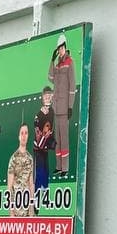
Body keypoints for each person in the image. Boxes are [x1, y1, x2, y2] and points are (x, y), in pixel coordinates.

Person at [48, 34, 77, 175]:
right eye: (58, 49)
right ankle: (58, 166)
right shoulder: (58, 64)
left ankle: (65, 168)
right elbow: (50, 78)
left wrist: (70, 106)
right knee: (58, 139)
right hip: (56, 108)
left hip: (65, 107)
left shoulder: (69, 62)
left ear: (65, 47)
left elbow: (72, 86)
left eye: (61, 48)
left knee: (64, 139)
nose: (60, 50)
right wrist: (52, 61)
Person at [7, 123, 35, 217]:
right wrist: (11, 213)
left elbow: (31, 184)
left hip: (27, 211)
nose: (24, 136)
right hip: (16, 210)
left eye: (26, 133)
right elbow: (9, 186)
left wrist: (31, 211)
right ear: (19, 136)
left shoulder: (30, 158)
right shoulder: (14, 158)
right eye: (22, 133)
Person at [33, 86, 55, 200]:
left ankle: (45, 198)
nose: (47, 97)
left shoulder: (52, 111)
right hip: (38, 148)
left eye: (49, 95)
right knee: (40, 171)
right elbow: (36, 124)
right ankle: (36, 197)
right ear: (42, 97)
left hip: (45, 148)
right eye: (45, 95)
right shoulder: (40, 113)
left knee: (45, 172)